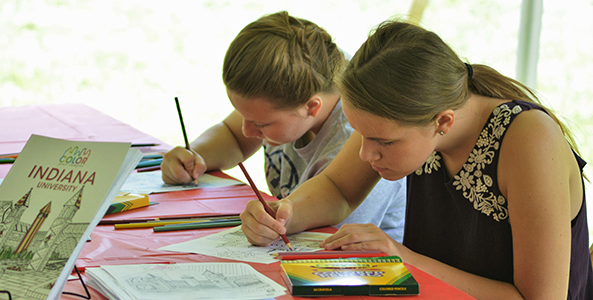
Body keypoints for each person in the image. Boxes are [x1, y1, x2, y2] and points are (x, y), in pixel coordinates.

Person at [240, 20, 593, 299]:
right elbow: (339, 188)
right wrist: (285, 214)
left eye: (382, 141)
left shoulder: (528, 139)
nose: (365, 154)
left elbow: (539, 298)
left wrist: (404, 258)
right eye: (362, 135)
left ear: (442, 122)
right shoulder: (410, 122)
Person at [160, 11, 407, 240]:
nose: (248, 131)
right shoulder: (297, 87)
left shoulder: (363, 138)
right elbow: (233, 136)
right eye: (243, 115)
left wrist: (276, 220)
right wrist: (194, 155)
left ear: (311, 107)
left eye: (260, 124)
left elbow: (329, 224)